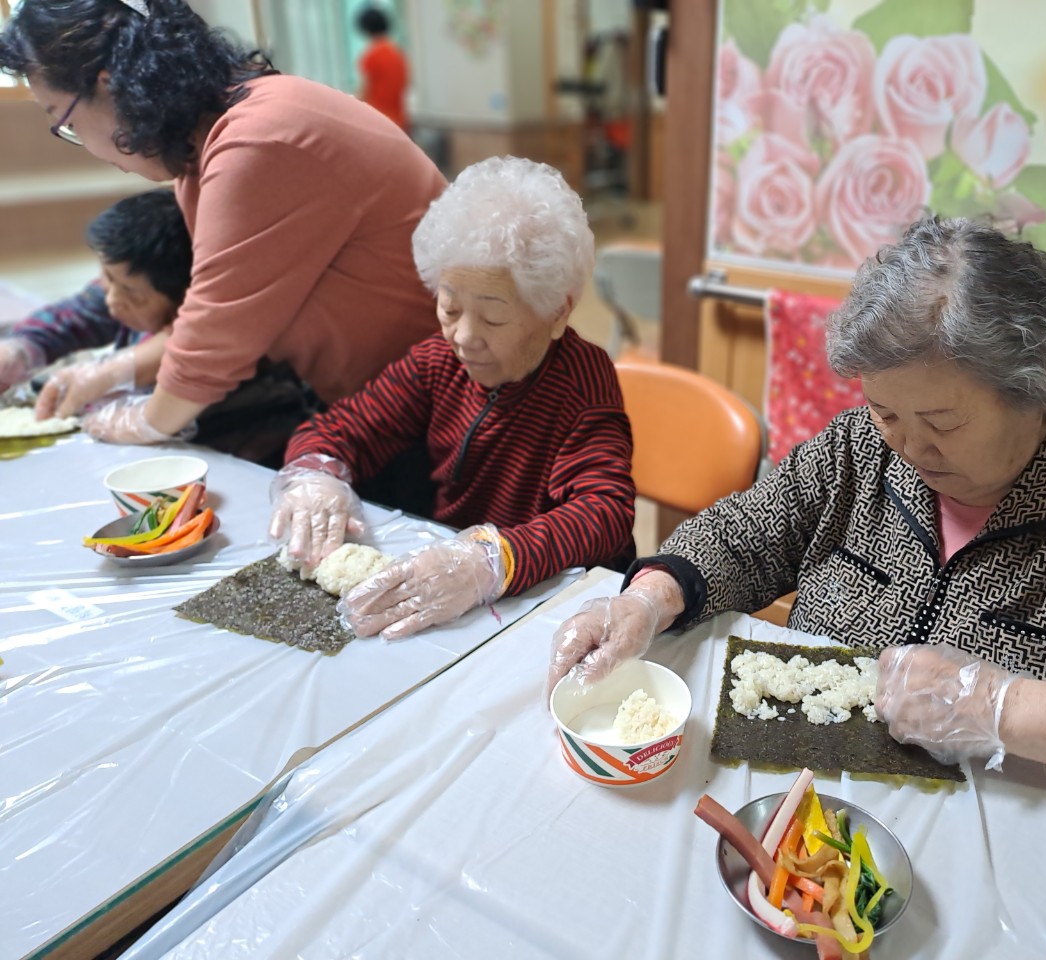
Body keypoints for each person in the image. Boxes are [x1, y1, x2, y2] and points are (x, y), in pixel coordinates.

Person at [547, 215, 1046, 817]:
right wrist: (647, 600)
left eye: (942, 422)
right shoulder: (862, 449)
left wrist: (1001, 707)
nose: (906, 447)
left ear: (1038, 389)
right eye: (885, 410)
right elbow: (744, 533)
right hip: (790, 804)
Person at [0, 0, 446, 452]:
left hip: (430, 409)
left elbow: (217, 332)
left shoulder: (258, 140)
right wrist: (110, 369)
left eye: (67, 121)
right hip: (377, 402)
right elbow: (212, 303)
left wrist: (144, 422)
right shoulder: (204, 147)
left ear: (109, 83)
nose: (86, 144)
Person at [270, 157, 637, 640]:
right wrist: (315, 477)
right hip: (447, 593)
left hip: (544, 605)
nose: (463, 337)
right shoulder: (437, 361)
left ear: (556, 312)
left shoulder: (582, 381)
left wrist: (492, 560)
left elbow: (604, 513)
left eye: (493, 318)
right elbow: (339, 430)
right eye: (450, 307)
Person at [0, 189, 190, 395]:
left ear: (183, 298)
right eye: (107, 277)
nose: (112, 299)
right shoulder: (121, 286)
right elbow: (72, 317)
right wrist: (19, 349)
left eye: (134, 296)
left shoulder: (193, 353)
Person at [355, 4, 409, 132]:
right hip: (399, 120)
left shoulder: (372, 56)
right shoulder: (398, 53)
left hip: (378, 121)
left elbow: (365, 91)